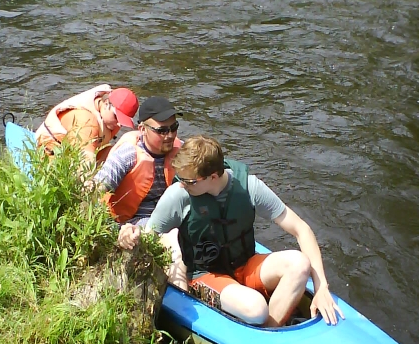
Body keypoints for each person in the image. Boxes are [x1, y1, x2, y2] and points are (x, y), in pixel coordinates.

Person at [146, 135, 344, 328]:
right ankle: (258, 319)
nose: (182, 184)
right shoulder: (178, 195)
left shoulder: (249, 187)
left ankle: (269, 329)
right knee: (256, 309)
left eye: (189, 181)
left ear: (213, 176)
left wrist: (321, 288)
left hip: (244, 264)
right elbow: (149, 236)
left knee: (299, 263)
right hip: (205, 273)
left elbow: (302, 229)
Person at [94, 96, 182, 251]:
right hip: (134, 223)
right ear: (142, 129)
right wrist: (113, 229)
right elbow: (96, 190)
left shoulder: (181, 152)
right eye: (162, 131)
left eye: (173, 127)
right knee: (173, 237)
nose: (169, 135)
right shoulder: (128, 154)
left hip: (171, 217)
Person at [35, 84, 139, 167]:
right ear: (106, 103)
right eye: (117, 117)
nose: (119, 124)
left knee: (124, 153)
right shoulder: (85, 121)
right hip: (53, 150)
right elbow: (85, 161)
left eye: (123, 121)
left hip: (82, 151)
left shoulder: (109, 117)